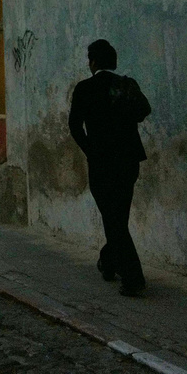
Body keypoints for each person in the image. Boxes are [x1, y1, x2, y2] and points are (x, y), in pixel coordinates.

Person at [68, 39, 151, 298]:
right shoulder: (126, 85)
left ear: (93, 62)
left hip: (102, 162)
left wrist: (91, 149)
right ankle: (109, 260)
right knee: (118, 217)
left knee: (112, 218)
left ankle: (133, 277)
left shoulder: (84, 88)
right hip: (127, 161)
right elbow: (143, 110)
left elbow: (74, 126)